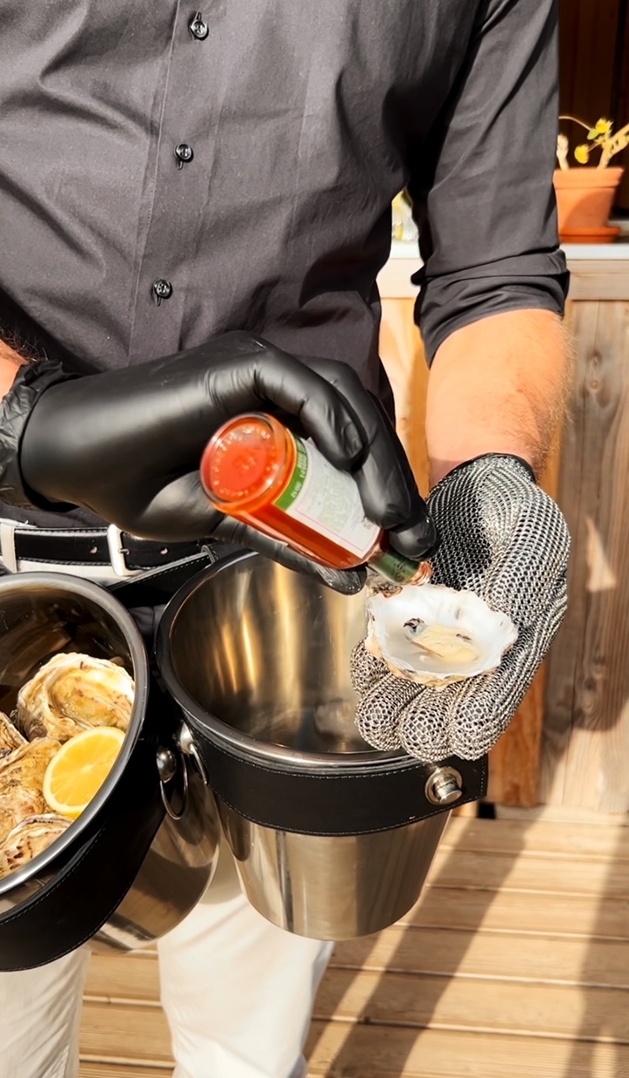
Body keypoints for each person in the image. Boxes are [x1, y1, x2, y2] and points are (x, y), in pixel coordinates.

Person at [0, 1, 571, 1076]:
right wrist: (18, 420)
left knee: (245, 1041)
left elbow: (494, 272)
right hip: (4, 573)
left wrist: (493, 470)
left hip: (290, 588)